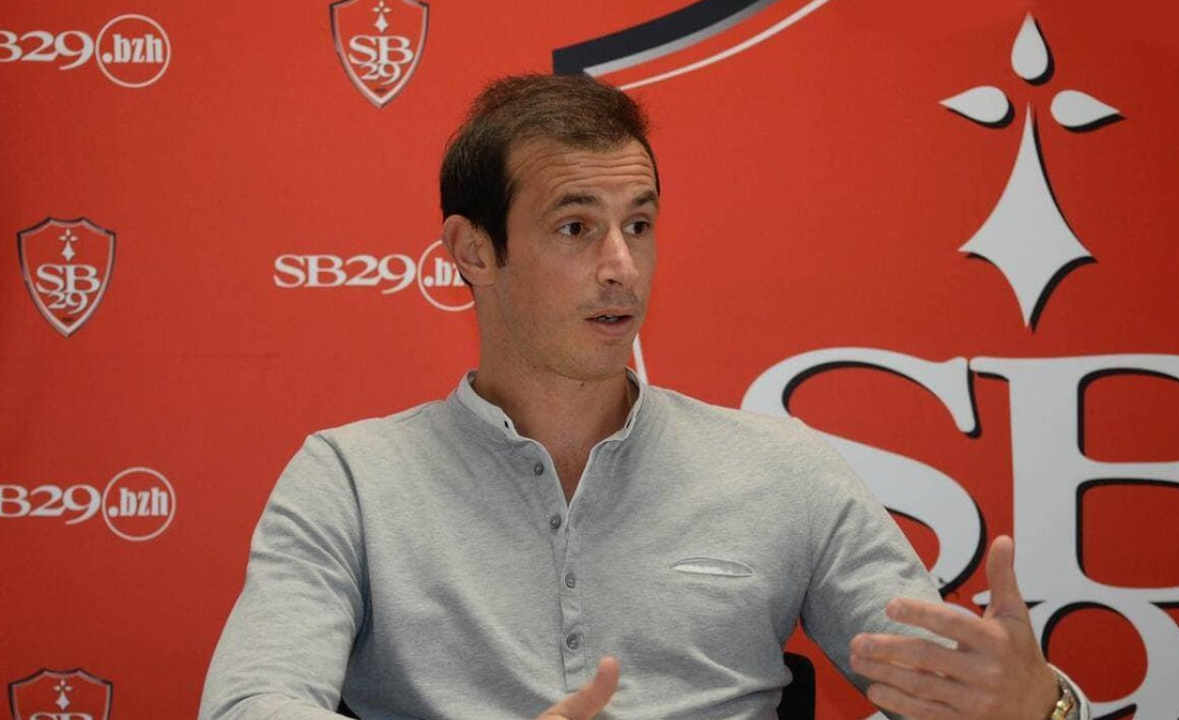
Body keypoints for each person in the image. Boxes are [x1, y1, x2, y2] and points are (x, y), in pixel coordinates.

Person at [200, 74, 1088, 720]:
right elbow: (253, 703)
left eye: (639, 224)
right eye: (576, 227)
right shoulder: (350, 479)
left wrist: (1040, 706)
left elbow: (954, 692)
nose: (621, 266)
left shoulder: (783, 471)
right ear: (474, 251)